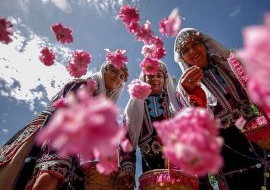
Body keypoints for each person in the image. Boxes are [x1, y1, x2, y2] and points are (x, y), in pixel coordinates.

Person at [174, 28, 270, 190]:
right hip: (229, 146)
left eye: (195, 44)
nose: (192, 51)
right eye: (185, 50)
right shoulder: (185, 86)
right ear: (182, 58)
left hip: (259, 132)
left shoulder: (228, 63)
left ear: (204, 45)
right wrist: (191, 93)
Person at [0, 61, 128, 190]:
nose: (118, 78)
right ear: (104, 70)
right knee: (51, 172)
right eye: (114, 71)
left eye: (122, 76)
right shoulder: (83, 85)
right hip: (52, 132)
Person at [118, 61, 202, 190]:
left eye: (159, 76)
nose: (155, 79)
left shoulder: (176, 102)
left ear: (165, 79)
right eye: (150, 76)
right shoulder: (133, 107)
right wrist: (128, 172)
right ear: (144, 79)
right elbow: (127, 143)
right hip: (151, 169)